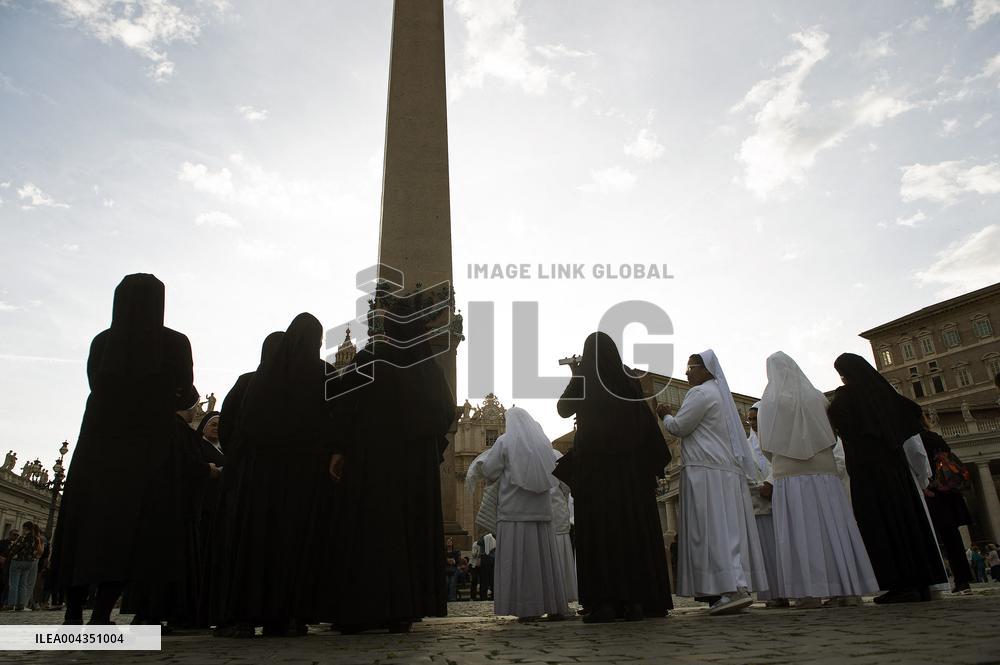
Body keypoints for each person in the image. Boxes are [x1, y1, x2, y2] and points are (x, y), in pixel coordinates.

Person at [50, 273, 196, 625]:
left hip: (98, 442)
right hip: (147, 447)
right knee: (131, 527)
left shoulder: (103, 341)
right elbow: (187, 392)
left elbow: (94, 382)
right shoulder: (174, 342)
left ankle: (72, 609)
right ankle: (101, 612)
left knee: (86, 523)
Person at [321, 289, 456, 634]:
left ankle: (362, 607)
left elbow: (342, 401)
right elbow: (444, 413)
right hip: (413, 467)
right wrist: (429, 448)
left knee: (369, 530)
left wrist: (339, 447)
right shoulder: (426, 365)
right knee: (407, 533)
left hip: (372, 462)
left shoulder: (373, 358)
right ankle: (404, 608)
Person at [214, 313, 340, 638]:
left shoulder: (257, 379)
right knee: (297, 543)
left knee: (256, 543)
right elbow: (337, 421)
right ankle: (291, 616)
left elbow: (234, 428)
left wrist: (242, 463)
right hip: (306, 475)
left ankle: (243, 615)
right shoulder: (324, 374)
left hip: (260, 478)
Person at [557, 332, 672, 623]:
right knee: (631, 535)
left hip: (596, 477)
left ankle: (605, 602)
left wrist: (576, 373)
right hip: (630, 478)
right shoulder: (628, 381)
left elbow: (563, 409)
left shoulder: (585, 380)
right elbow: (645, 422)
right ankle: (636, 602)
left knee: (601, 537)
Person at [757, 352, 879, 609]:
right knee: (831, 527)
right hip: (824, 471)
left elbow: (766, 444)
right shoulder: (817, 397)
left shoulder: (769, 401)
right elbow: (832, 434)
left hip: (789, 473)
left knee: (800, 532)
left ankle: (807, 592)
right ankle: (846, 589)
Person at [827, 353, 947, 604]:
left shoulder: (847, 397)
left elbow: (840, 424)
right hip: (896, 469)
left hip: (869, 471)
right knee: (908, 522)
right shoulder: (885, 395)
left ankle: (900, 584)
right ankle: (922, 582)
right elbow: (911, 414)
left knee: (882, 525)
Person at [657, 350, 766, 615]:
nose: (686, 372)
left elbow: (679, 427)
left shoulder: (700, 394)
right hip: (724, 471)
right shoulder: (720, 395)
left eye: (690, 367)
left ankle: (731, 589)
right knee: (727, 528)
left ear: (705, 369)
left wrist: (665, 415)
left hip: (706, 472)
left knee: (712, 529)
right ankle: (730, 587)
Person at [468, 407, 569, 619]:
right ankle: (551, 603)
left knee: (519, 561)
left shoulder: (505, 441)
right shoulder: (543, 444)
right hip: (541, 512)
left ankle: (524, 607)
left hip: (513, 511)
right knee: (543, 561)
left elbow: (491, 470)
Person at [919, 425, 975, 595]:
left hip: (932, 493)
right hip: (949, 492)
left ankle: (932, 582)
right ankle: (963, 580)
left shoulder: (914, 440)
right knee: (953, 539)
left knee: (928, 538)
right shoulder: (935, 437)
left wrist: (923, 487)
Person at [745, 402, 785, 608]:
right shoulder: (747, 444)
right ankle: (774, 594)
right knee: (767, 553)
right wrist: (758, 487)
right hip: (759, 503)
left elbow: (780, 462)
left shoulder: (778, 438)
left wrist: (771, 482)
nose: (753, 423)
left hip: (778, 496)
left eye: (755, 418)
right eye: (750, 419)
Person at [550, 449, 578, 604]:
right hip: (557, 509)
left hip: (537, 509)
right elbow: (567, 484)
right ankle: (564, 593)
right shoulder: (555, 454)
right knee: (561, 552)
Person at [6, 522, 43, 611]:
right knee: (23, 584)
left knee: (14, 583)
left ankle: (11, 604)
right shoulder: (36, 539)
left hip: (18, 561)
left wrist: (10, 554)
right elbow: (38, 551)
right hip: (29, 563)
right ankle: (21, 604)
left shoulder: (23, 537)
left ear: (26, 528)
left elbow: (16, 548)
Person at [0, 528, 17, 609]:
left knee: (6, 585)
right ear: (10, 534)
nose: (15, 536)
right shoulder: (2, 542)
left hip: (10, 567)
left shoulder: (16, 545)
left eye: (17, 535)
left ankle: (3, 602)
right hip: (1, 566)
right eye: (14, 534)